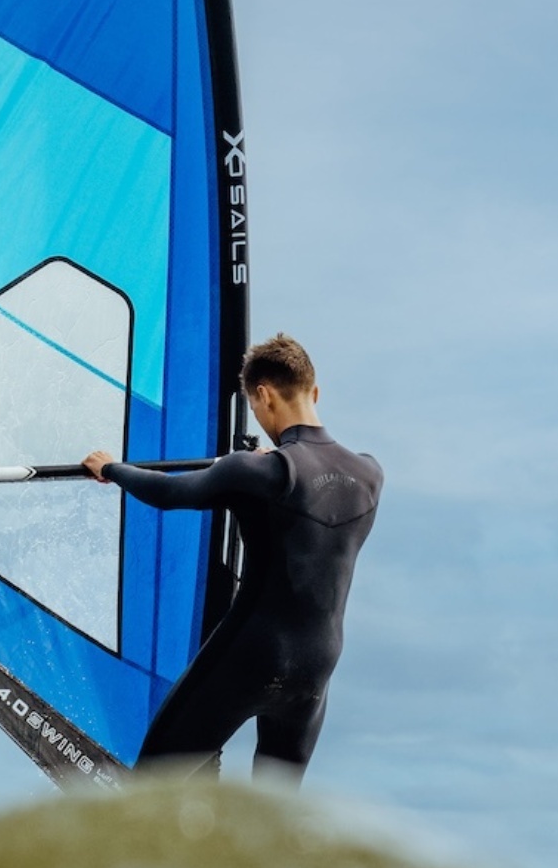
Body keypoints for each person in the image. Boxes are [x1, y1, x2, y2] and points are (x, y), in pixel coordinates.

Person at [82, 333, 382, 783]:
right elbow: (310, 495)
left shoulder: (253, 470)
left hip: (252, 655)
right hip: (315, 671)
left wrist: (111, 468)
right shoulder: (370, 473)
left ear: (263, 395)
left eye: (255, 407)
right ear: (314, 392)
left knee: (150, 789)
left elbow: (169, 493)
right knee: (271, 809)